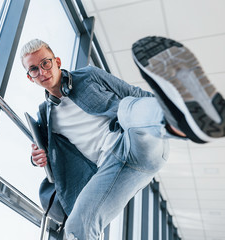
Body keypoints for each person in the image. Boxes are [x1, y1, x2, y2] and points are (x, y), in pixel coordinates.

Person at [20, 36, 225, 240]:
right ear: (30, 77)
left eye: (45, 63)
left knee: (127, 109)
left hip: (134, 138)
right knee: (76, 226)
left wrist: (158, 103)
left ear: (57, 62)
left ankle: (177, 120)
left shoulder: (89, 76)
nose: (42, 71)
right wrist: (35, 157)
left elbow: (133, 93)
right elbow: (46, 153)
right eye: (34, 69)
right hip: (112, 169)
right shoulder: (45, 116)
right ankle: (178, 117)